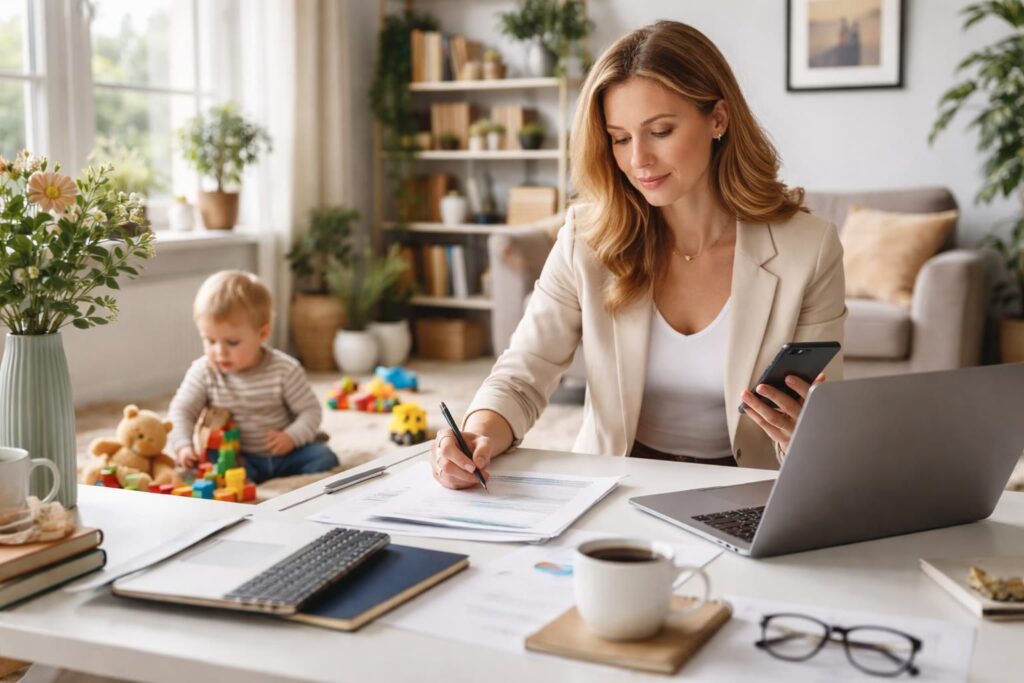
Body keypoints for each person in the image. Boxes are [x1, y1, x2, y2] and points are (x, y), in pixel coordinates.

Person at [432, 21, 846, 490]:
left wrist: (803, 435)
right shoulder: (586, 238)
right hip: (616, 484)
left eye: (660, 131)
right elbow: (522, 375)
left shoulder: (808, 249)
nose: (638, 160)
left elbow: (822, 424)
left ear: (718, 119)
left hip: (745, 488)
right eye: (620, 138)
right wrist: (476, 435)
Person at [168, 270, 339, 484]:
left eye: (232, 342)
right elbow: (181, 411)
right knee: (209, 466)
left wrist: (292, 437)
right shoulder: (204, 371)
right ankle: (246, 477)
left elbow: (310, 411)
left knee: (324, 457)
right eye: (210, 341)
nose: (219, 352)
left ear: (262, 334)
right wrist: (183, 446)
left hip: (287, 453)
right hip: (239, 457)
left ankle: (272, 474)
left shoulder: (285, 369)